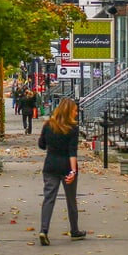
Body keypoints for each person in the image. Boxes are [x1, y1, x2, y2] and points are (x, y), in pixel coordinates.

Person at [37, 97, 86, 245]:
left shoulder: (48, 125)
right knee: (71, 200)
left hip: (50, 165)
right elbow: (72, 152)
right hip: (66, 166)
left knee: (48, 198)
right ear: (68, 111)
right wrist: (72, 171)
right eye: (75, 110)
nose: (76, 113)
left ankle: (43, 230)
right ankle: (74, 230)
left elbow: (41, 145)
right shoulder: (73, 129)